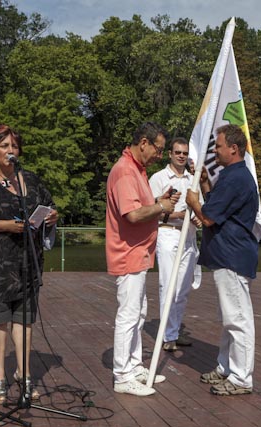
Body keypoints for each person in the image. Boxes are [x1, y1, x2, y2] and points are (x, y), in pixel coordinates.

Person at [0, 124, 59, 404]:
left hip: (28, 261)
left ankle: (24, 374)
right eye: (4, 146)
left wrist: (52, 216)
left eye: (14, 145)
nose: (10, 150)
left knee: (24, 320)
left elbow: (49, 206)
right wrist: (5, 225)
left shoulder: (31, 179)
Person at [105, 122, 180, 396]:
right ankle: (122, 375)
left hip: (139, 254)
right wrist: (161, 206)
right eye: (158, 150)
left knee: (138, 313)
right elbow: (133, 214)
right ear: (144, 143)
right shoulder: (126, 171)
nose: (159, 155)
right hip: (129, 254)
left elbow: (139, 207)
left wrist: (159, 200)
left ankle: (134, 366)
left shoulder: (136, 169)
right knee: (128, 315)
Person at [186, 124, 258, 396]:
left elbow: (207, 217)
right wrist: (205, 184)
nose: (214, 151)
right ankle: (226, 367)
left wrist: (193, 201)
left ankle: (241, 378)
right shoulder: (232, 176)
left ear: (234, 149)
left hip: (232, 256)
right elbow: (217, 207)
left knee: (237, 319)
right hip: (228, 255)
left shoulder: (236, 178)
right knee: (229, 318)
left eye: (218, 146)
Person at [149, 137, 202, 352]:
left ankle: (174, 331)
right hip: (168, 233)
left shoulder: (193, 180)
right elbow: (150, 211)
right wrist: (178, 215)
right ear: (170, 154)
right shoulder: (158, 178)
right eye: (177, 152)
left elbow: (200, 207)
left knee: (182, 288)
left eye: (184, 153)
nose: (181, 156)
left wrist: (198, 218)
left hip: (188, 236)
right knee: (168, 285)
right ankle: (167, 335)